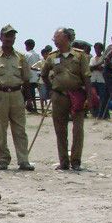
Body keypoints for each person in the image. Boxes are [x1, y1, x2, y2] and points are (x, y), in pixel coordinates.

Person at [40, 27, 94, 171]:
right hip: (59, 96)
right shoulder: (52, 57)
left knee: (78, 130)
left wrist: (89, 98)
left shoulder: (80, 56)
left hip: (77, 96)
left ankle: (76, 161)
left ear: (66, 38)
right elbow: (44, 74)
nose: (55, 41)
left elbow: (87, 77)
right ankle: (63, 161)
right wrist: (51, 89)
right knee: (60, 130)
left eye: (57, 38)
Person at [0, 25, 34, 171]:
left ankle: (23, 160)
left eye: (12, 36)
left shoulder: (21, 57)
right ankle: (3, 160)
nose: (9, 39)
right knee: (0, 130)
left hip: (16, 94)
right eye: (7, 36)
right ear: (1, 37)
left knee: (20, 129)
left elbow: (26, 79)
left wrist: (29, 99)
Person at [23, 39, 41, 112]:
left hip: (29, 77)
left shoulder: (26, 55)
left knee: (27, 93)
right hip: (36, 77)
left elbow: (24, 66)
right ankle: (34, 107)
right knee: (33, 93)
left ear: (27, 46)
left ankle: (29, 106)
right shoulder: (37, 55)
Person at [90, 42, 106, 117]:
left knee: (102, 98)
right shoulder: (92, 58)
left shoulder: (104, 58)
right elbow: (90, 68)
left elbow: (102, 68)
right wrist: (96, 67)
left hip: (101, 80)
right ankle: (95, 113)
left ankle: (102, 113)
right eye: (95, 48)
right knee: (93, 97)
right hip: (93, 79)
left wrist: (94, 67)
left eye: (98, 48)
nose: (96, 50)